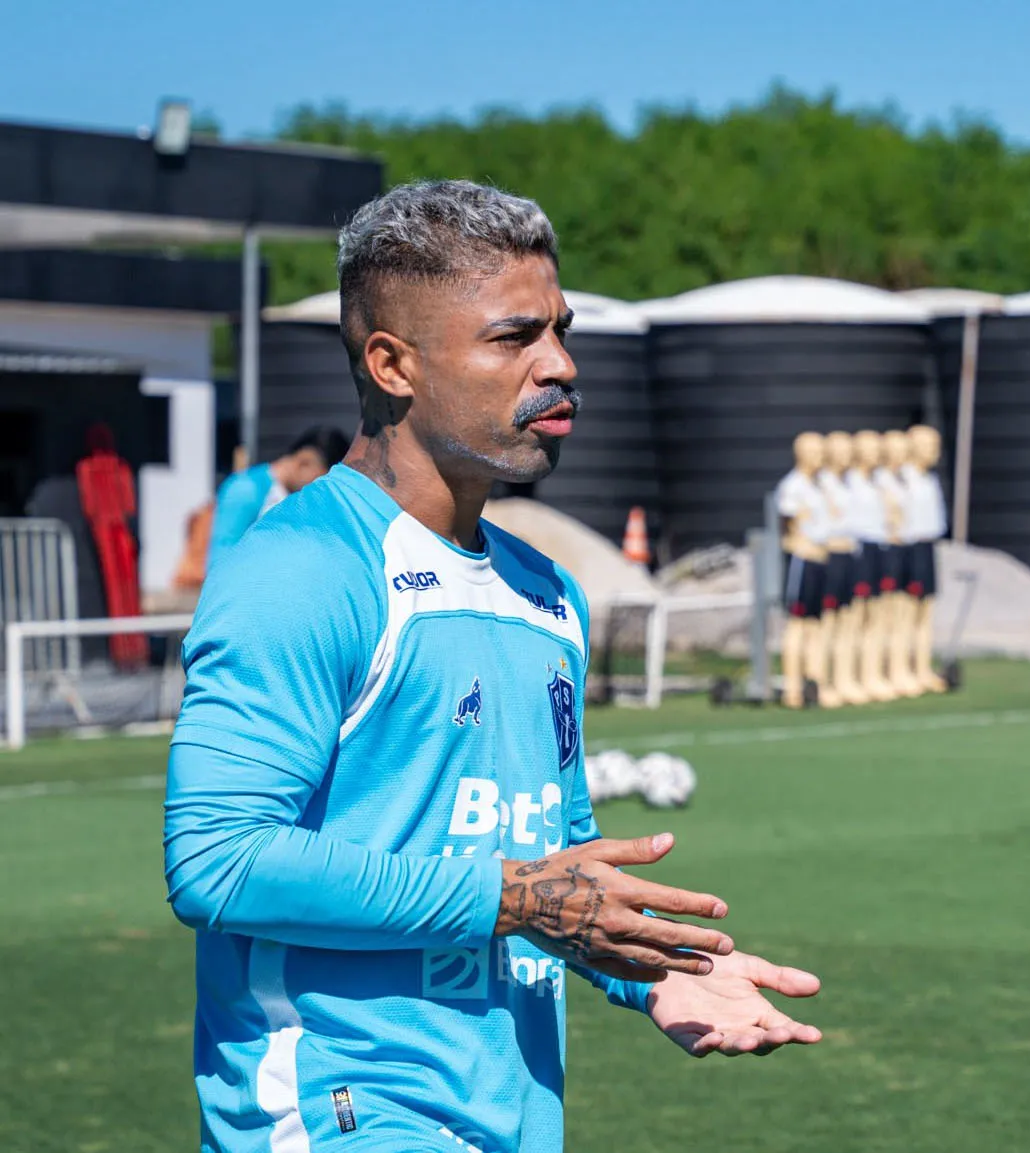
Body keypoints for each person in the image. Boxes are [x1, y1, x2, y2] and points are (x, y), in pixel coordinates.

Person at [163, 180, 821, 1153]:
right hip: (342, 1113)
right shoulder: (303, 569)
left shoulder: (546, 594)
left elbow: (557, 857)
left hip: (507, 1117)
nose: (559, 365)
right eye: (514, 338)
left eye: (562, 329)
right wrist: (511, 897)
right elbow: (216, 859)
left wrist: (654, 968)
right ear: (393, 364)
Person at [209, 426, 351, 556]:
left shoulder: (290, 496)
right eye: (320, 482)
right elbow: (222, 556)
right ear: (304, 463)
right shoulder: (246, 489)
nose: (321, 493)